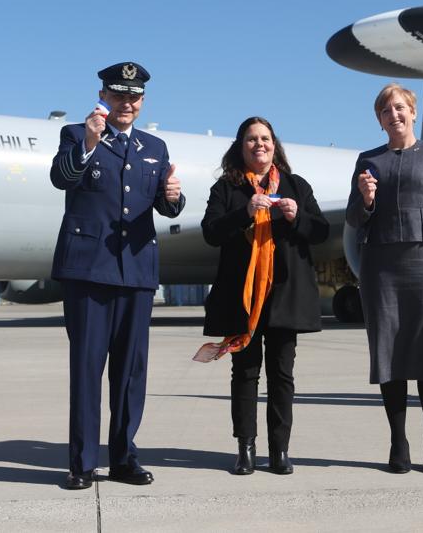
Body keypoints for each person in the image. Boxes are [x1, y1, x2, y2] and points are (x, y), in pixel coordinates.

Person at [50, 61, 185, 491]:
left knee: (130, 373)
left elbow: (164, 205)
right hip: (89, 271)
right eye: (119, 94)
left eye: (134, 96)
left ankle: (124, 458)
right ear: (104, 96)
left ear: (142, 101)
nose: (127, 102)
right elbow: (61, 178)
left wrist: (174, 197)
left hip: (136, 270)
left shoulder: (154, 146)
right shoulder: (77, 134)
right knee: (87, 369)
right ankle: (83, 463)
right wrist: (89, 143)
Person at [345, 84, 423, 474]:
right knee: (389, 353)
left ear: (413, 112)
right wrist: (366, 199)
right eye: (385, 111)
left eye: (399, 108)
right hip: (380, 266)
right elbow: (353, 218)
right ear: (379, 120)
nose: (394, 115)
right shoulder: (368, 160)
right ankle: (398, 441)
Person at [201, 117, 329, 476]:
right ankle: (245, 449)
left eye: (265, 138)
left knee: (282, 374)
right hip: (242, 297)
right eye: (252, 139)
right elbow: (210, 232)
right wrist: (243, 213)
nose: (259, 144)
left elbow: (320, 232)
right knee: (244, 372)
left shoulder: (296, 185)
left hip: (285, 293)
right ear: (241, 147)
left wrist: (297, 216)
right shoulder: (227, 188)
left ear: (275, 145)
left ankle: (279, 450)